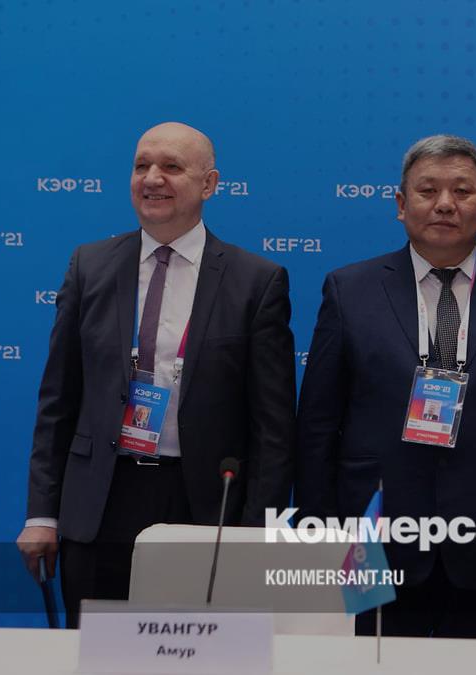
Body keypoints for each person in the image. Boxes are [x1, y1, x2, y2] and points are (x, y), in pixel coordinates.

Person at [295, 134, 476, 638]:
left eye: (462, 191)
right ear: (401, 204)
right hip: (375, 533)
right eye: (428, 191)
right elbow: (318, 422)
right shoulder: (349, 290)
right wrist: (318, 526)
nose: (445, 204)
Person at [15, 122, 296, 628]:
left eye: (171, 166)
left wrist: (257, 533)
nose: (151, 178)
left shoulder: (256, 281)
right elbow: (58, 400)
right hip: (101, 501)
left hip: (203, 506)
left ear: (209, 184)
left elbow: (273, 427)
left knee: (199, 653)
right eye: (141, 165)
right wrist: (42, 513)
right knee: (99, 653)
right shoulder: (89, 266)